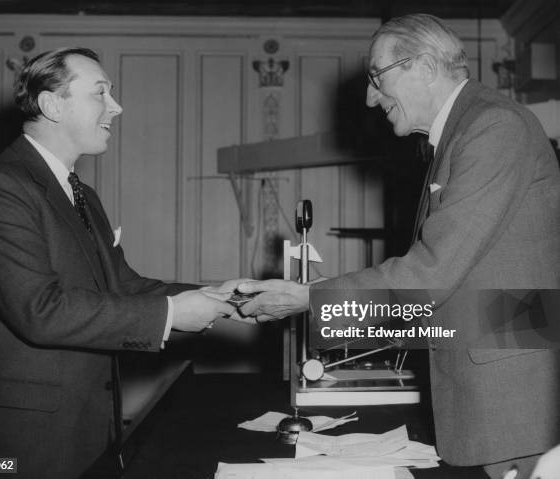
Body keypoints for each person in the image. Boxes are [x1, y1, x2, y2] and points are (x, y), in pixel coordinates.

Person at [235, 14, 560, 479]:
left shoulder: (493, 128)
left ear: (425, 66)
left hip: (512, 406)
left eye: (377, 78)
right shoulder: (463, 133)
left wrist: (310, 298)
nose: (370, 97)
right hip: (493, 389)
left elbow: (431, 274)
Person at [0, 47, 239, 478]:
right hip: (12, 445)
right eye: (100, 93)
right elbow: (40, 312)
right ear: (52, 104)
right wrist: (174, 313)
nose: (116, 107)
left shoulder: (80, 193)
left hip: (83, 433)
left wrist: (224, 296)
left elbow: (122, 285)